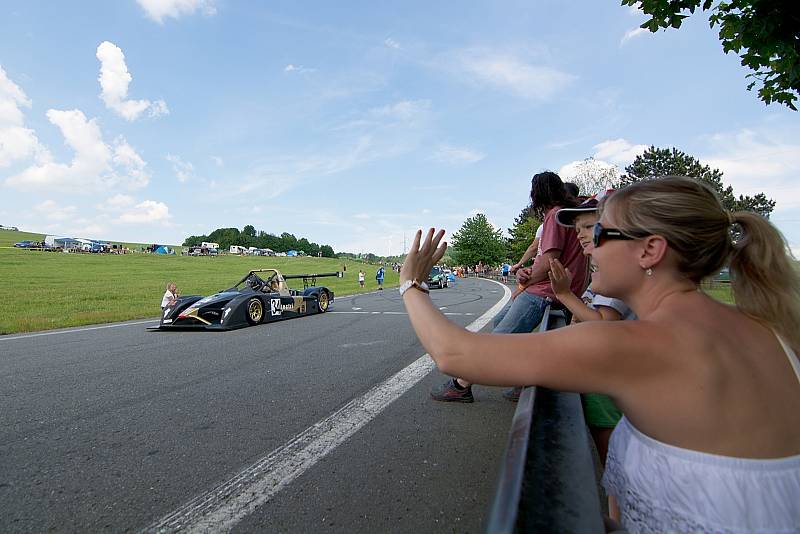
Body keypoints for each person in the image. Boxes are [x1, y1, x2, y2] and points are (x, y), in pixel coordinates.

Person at [401, 176, 800, 532]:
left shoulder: (635, 342)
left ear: (650, 250)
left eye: (602, 234)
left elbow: (455, 354)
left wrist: (411, 283)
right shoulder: (772, 329)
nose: (588, 247)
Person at [430, 171, 588, 402]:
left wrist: (527, 279)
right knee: (499, 322)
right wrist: (529, 271)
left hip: (545, 293)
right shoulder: (569, 215)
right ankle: (523, 381)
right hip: (554, 290)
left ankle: (460, 385)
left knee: (498, 340)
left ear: (538, 193)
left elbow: (549, 261)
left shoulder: (554, 216)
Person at [549, 190, 636, 469]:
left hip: (609, 383)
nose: (580, 235)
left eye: (589, 226)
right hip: (602, 379)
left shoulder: (616, 277)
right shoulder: (600, 276)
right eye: (578, 229)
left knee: (615, 463)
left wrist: (564, 295)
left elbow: (601, 324)